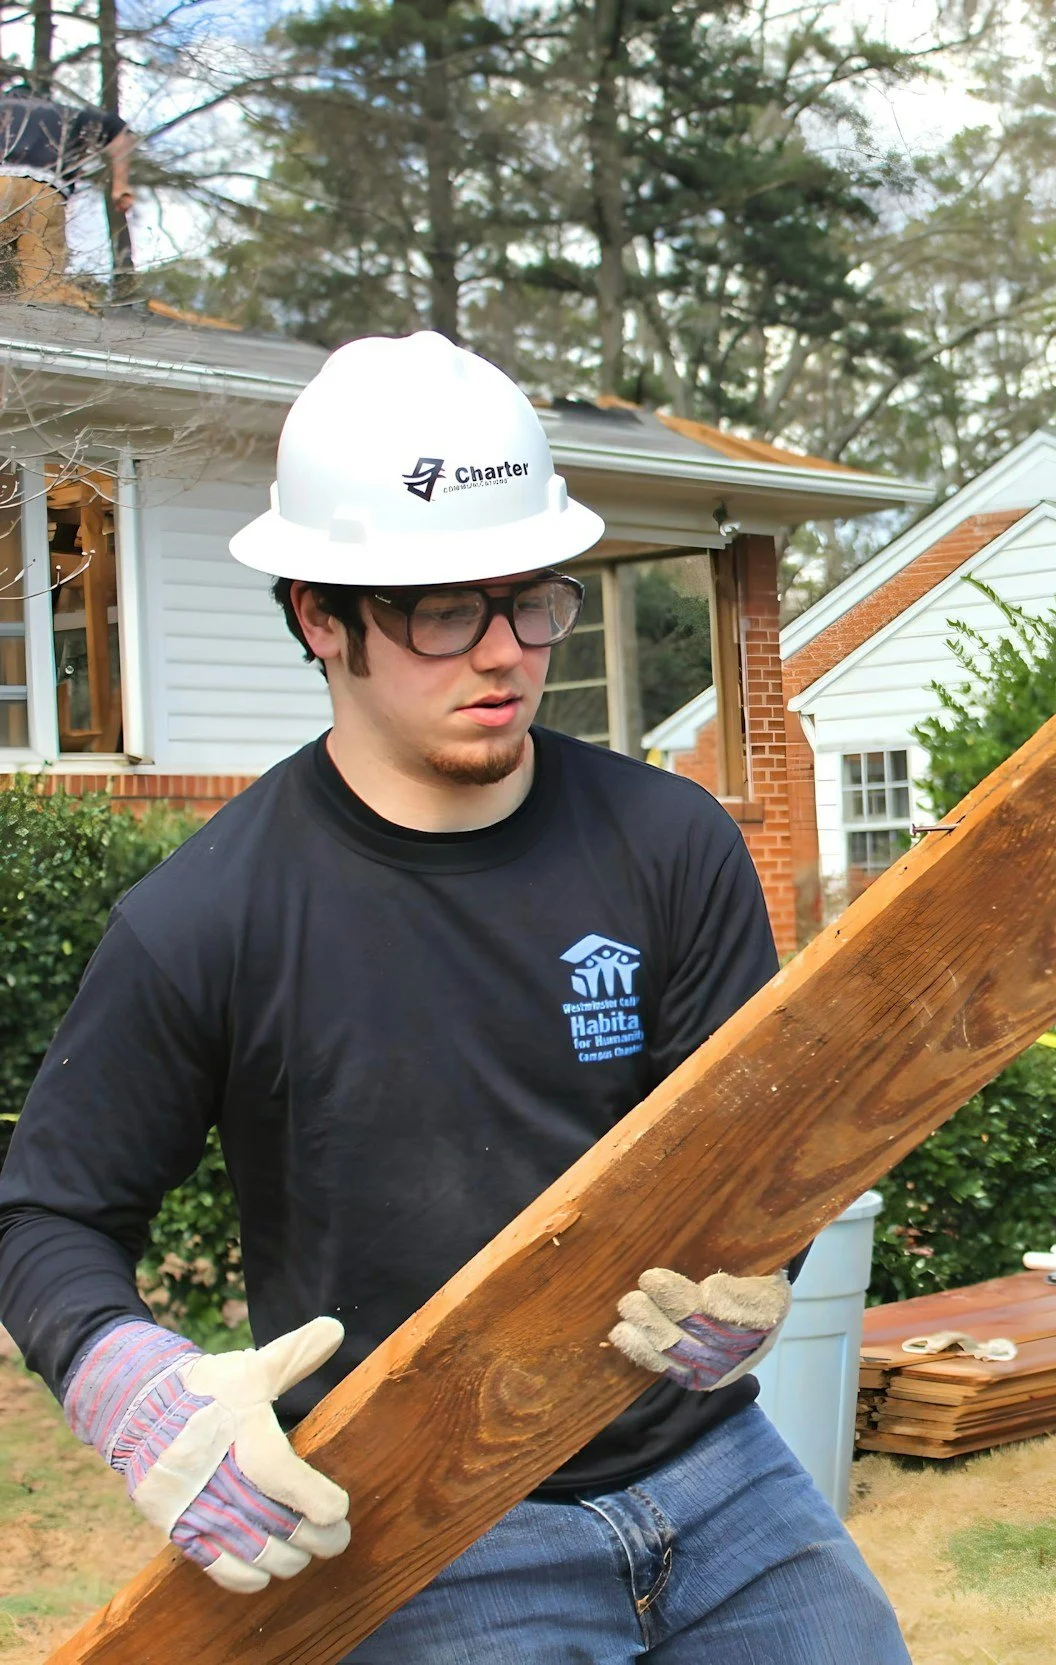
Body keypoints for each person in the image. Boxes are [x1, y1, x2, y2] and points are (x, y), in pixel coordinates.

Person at [0, 332, 910, 1663]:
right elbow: (48, 1215)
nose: (505, 653)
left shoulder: (670, 847)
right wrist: (136, 1390)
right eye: (440, 610)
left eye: (527, 596)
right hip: (429, 1528)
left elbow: (762, 1150)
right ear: (321, 616)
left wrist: (767, 1261)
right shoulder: (209, 921)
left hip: (722, 1484)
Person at [0, 78, 133, 304]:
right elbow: (120, 132)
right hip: (46, 195)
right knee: (42, 287)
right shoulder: (67, 115)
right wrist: (121, 185)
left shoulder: (4, 106)